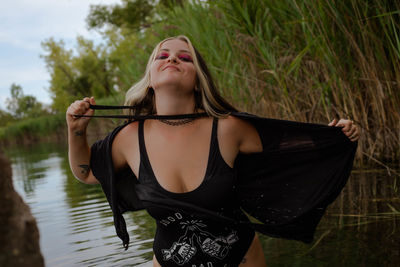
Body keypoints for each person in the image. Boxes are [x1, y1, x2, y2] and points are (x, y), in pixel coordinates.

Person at [66, 35, 359, 267]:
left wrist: (335, 134)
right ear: (151, 80)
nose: (172, 59)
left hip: (242, 260)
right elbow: (88, 173)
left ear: (197, 81)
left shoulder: (228, 128)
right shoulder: (130, 138)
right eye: (163, 56)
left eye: (184, 57)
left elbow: (289, 147)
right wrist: (76, 130)